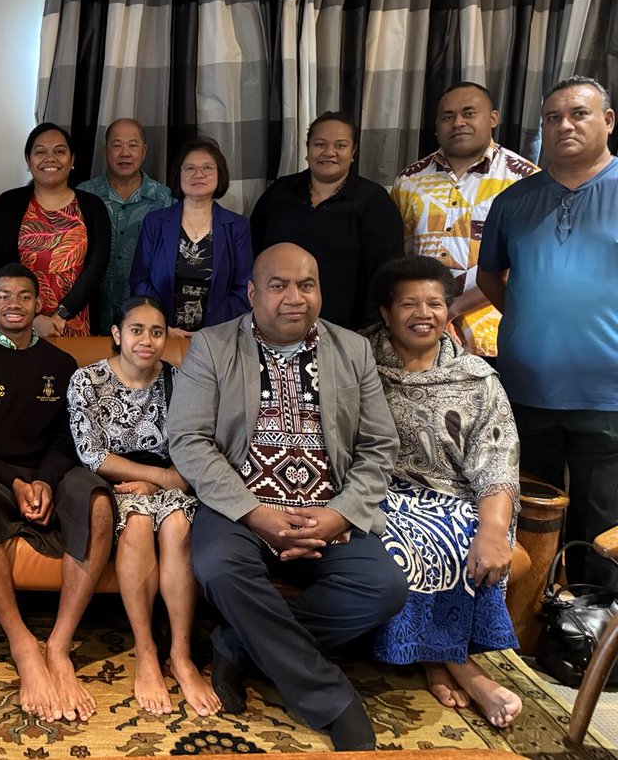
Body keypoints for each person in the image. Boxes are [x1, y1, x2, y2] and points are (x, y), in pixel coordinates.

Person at [169, 242, 407, 751]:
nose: (294, 298)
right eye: (278, 286)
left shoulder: (352, 349)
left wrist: (340, 515)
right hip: (242, 507)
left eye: (306, 284)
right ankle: (332, 700)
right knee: (217, 565)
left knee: (384, 586)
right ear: (253, 293)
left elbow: (379, 446)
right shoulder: (212, 346)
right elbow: (188, 440)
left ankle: (238, 643)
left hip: (329, 507)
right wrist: (255, 513)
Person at [0, 263, 114, 723]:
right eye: (5, 295)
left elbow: (68, 436)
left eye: (24, 296)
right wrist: (15, 481)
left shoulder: (60, 364)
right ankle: (21, 643)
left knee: (99, 503)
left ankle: (58, 645)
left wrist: (44, 479)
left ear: (39, 305)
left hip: (55, 473)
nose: (14, 304)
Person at [365, 256, 523, 728]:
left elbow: (498, 458)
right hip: (379, 491)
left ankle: (439, 658)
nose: (424, 312)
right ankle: (457, 665)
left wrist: (494, 529)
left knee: (463, 531)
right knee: (408, 539)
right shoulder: (356, 361)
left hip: (456, 496)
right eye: (409, 303)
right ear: (386, 312)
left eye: (435, 303)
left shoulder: (476, 377)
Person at [479, 74, 618, 590]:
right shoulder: (514, 201)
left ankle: (592, 626)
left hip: (606, 394)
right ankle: (530, 620)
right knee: (526, 512)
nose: (565, 125)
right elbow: (490, 275)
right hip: (523, 388)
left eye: (579, 114)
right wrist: (529, 317)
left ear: (607, 120)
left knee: (599, 520)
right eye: (553, 117)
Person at [67, 295, 219, 717]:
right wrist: (155, 479)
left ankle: (182, 655)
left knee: (176, 527)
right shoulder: (87, 381)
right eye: (137, 330)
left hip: (171, 482)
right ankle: (147, 652)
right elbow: (92, 455)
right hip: (117, 486)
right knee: (135, 526)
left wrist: (166, 481)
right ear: (117, 334)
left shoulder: (181, 380)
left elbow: (197, 445)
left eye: (156, 331)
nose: (147, 340)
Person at [391, 82, 539, 356]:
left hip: (494, 339)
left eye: (469, 113)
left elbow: (529, 266)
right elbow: (398, 259)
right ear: (436, 126)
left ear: (493, 118)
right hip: (421, 336)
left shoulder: (526, 180)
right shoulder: (409, 181)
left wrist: (454, 309)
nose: (458, 122)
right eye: (448, 116)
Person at [250, 111, 404, 330]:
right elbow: (253, 253)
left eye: (340, 146)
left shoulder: (373, 201)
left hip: (347, 329)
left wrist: (367, 331)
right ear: (308, 150)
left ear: (353, 152)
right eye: (320, 144)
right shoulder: (279, 193)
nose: (329, 152)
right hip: (276, 325)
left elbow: (387, 272)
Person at [0, 123, 111, 337]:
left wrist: (61, 315)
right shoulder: (9, 204)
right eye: (40, 152)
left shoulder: (93, 206)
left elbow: (96, 268)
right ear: (28, 161)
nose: (51, 158)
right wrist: (35, 319)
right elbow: (4, 265)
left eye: (60, 151)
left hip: (73, 322)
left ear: (72, 160)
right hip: (18, 320)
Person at [130, 136, 252, 337]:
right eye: (190, 168)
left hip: (218, 338)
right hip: (162, 334)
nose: (199, 174)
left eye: (207, 168)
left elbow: (244, 289)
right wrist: (161, 325)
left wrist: (210, 333)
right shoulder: (155, 222)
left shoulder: (237, 226)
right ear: (179, 174)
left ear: (219, 174)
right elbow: (140, 280)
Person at [77, 118, 173, 328]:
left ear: (144, 151)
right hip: (89, 310)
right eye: (117, 145)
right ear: (106, 151)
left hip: (143, 314)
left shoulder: (163, 199)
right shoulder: (84, 195)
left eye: (132, 145)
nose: (125, 153)